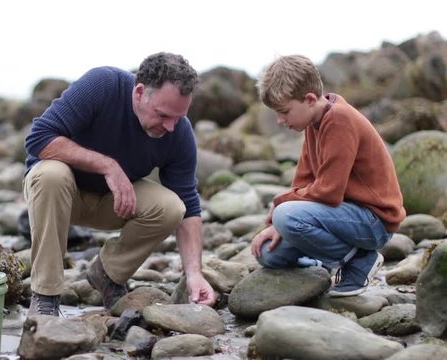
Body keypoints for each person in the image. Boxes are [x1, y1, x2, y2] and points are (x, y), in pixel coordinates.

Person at [23, 52, 217, 316]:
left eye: (178, 117)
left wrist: (194, 274)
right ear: (139, 92)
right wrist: (107, 165)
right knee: (51, 174)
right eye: (162, 115)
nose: (170, 126)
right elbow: (38, 139)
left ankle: (107, 273)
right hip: (57, 195)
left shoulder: (178, 131)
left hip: (113, 203)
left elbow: (190, 207)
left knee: (173, 207)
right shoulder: (103, 85)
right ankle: (45, 295)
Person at [250, 55, 406, 297]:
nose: (280, 120)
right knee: (270, 254)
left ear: (310, 99)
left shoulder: (338, 119)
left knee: (285, 215)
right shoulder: (314, 123)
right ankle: (323, 266)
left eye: (284, 112)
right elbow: (303, 182)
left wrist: (281, 207)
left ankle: (360, 260)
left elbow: (329, 192)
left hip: (374, 220)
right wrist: (279, 227)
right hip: (343, 219)